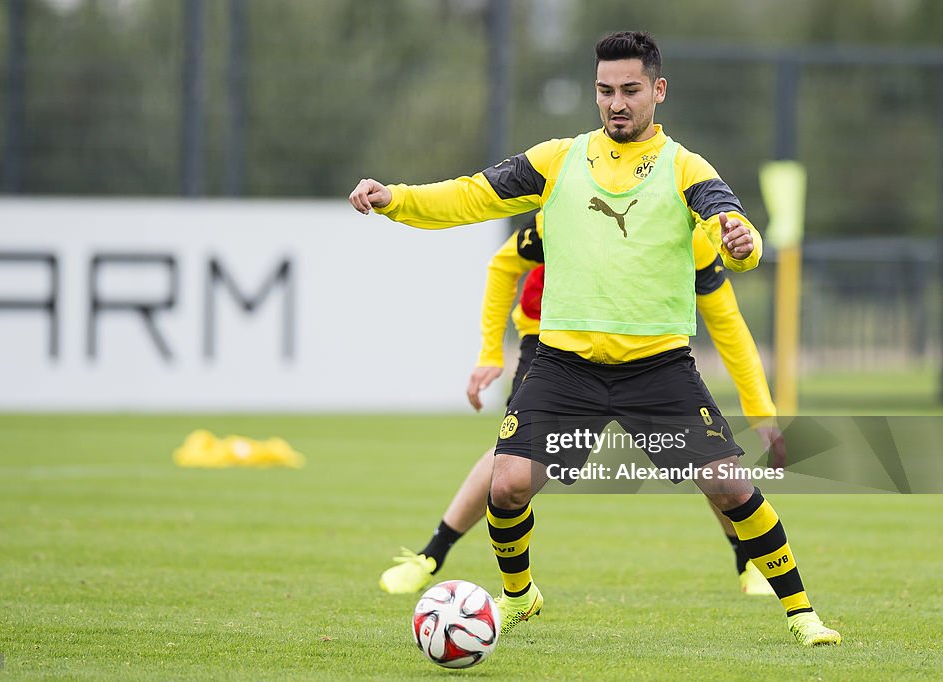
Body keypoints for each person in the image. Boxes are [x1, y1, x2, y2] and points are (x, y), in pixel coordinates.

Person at [350, 31, 840, 647]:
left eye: (631, 90)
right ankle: (520, 596)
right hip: (564, 367)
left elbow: (727, 216)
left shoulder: (684, 167)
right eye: (606, 91)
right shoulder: (558, 159)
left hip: (658, 368)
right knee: (507, 483)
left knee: (728, 484)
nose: (617, 103)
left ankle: (803, 615)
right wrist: (396, 199)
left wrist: (745, 242)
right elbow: (473, 195)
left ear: (658, 91)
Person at [378, 219, 785, 597]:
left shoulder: (690, 236)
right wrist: (489, 352)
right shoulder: (570, 207)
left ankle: (746, 560)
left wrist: (761, 413)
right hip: (555, 341)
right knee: (510, 460)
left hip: (644, 351)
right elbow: (504, 264)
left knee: (707, 455)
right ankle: (433, 554)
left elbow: (729, 327)